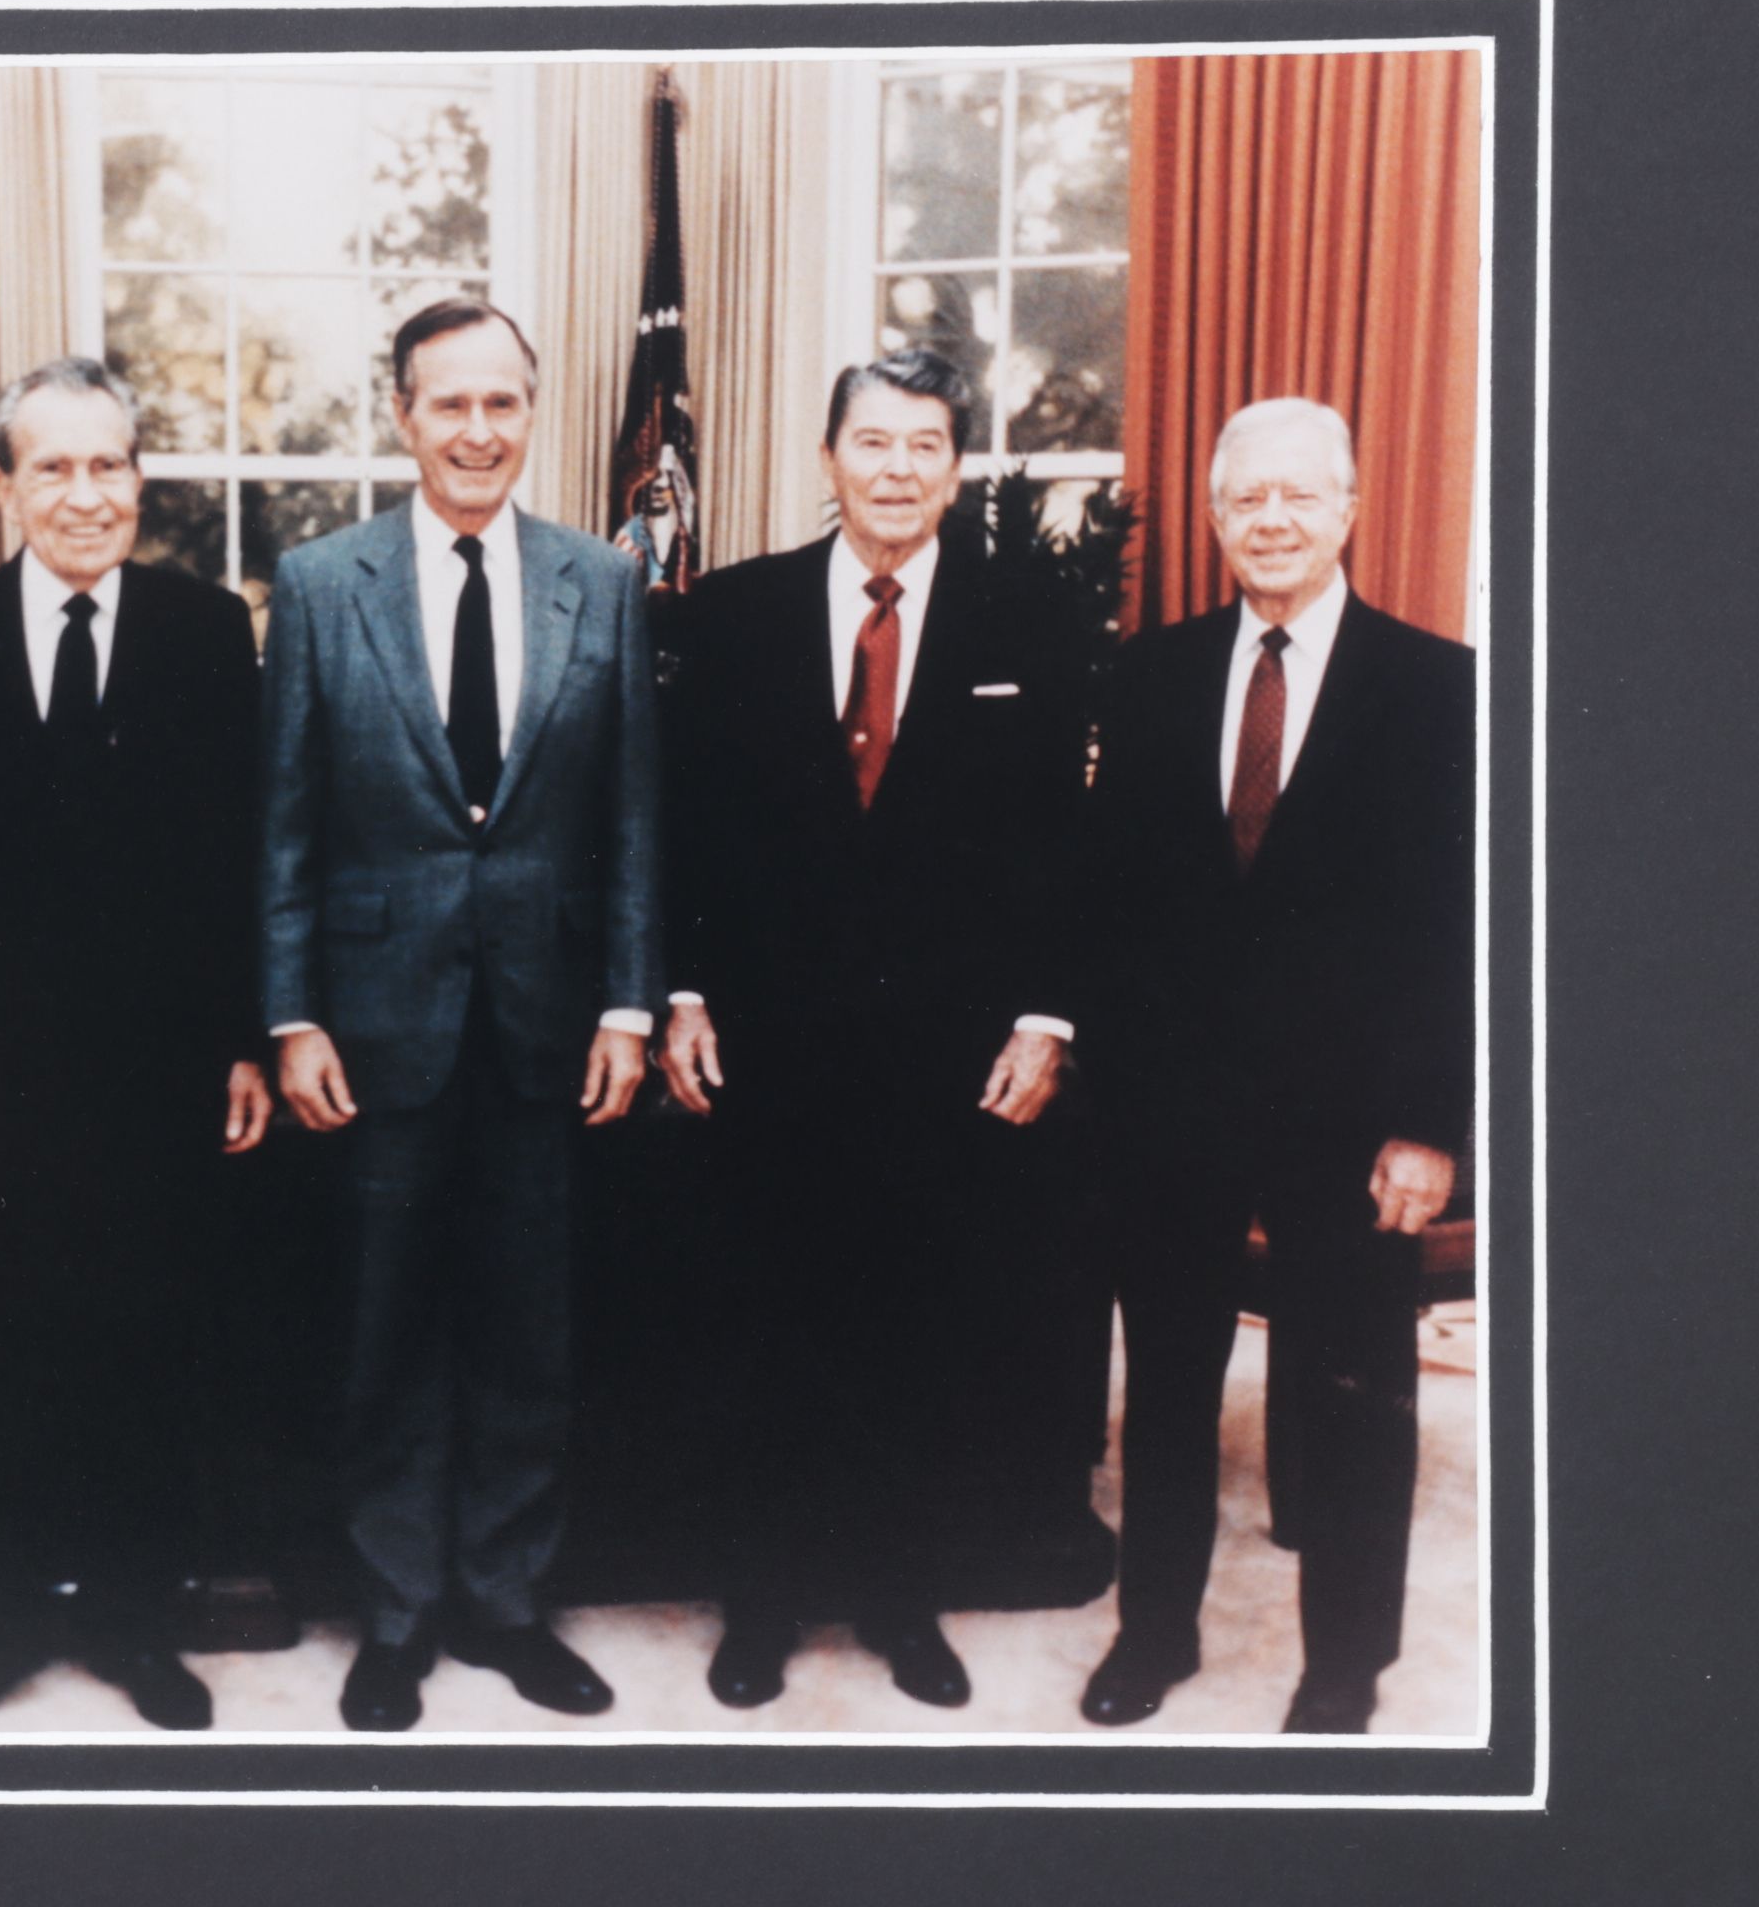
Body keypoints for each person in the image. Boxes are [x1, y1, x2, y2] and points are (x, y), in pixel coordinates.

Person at [657, 351, 1091, 1712]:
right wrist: (677, 990)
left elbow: (1066, 848)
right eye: (874, 442)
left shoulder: (1032, 617)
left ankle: (906, 1598)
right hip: (769, 1045)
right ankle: (763, 1599)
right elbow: (676, 825)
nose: (898, 468)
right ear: (828, 456)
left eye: (925, 446)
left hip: (945, 1054)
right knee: (762, 1327)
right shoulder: (733, 614)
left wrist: (1044, 1014)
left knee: (921, 1329)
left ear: (955, 468)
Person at [258, 299, 661, 1730]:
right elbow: (288, 821)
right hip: (373, 1025)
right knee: (386, 1326)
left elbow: (628, 820)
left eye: (504, 404)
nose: (479, 431)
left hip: (550, 1023)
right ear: (403, 415)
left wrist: (627, 998)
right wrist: (290, 1013)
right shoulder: (319, 583)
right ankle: (395, 1611)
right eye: (451, 405)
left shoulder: (597, 581)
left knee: (524, 1329)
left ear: (530, 414)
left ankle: (503, 1601)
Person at [1072, 396, 1475, 1735]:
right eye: (1249, 499)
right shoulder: (1150, 675)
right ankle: (1155, 1636)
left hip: (1356, 1116)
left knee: (1357, 1391)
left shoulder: (1439, 689)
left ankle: (1346, 1667)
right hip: (1171, 1107)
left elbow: (1458, 928)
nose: (1275, 520)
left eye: (1303, 495)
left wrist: (1432, 1123)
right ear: (1215, 516)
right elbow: (1114, 906)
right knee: (1171, 1383)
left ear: (1352, 508)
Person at [0, 358, 271, 1732]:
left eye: (108, 466)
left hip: (153, 1071)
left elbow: (239, 859)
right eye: (54, 467)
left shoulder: (207, 631)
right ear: (3, 486)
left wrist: (237, 1040)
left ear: (140, 480)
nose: (85, 494)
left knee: (140, 1344)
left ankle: (130, 1619)